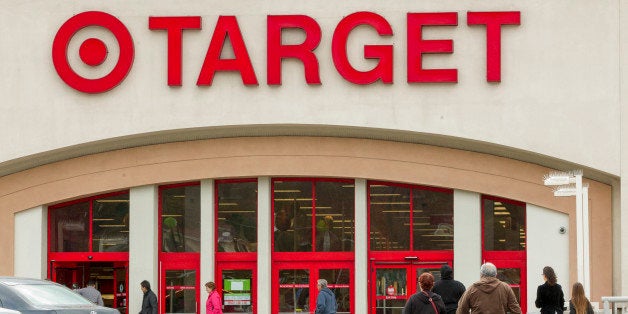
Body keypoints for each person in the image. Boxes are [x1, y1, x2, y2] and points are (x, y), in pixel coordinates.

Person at [456, 262, 521, 314]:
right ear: (495, 274)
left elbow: (461, 310)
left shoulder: (472, 289)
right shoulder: (505, 288)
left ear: (481, 274)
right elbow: (516, 310)